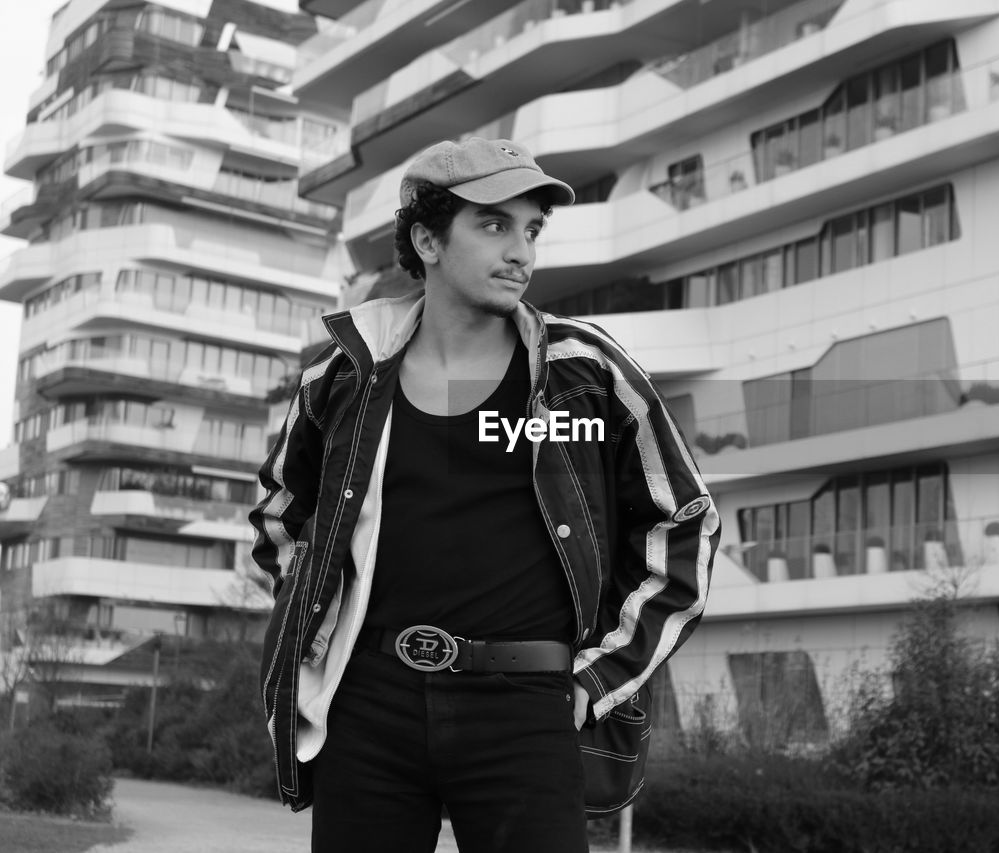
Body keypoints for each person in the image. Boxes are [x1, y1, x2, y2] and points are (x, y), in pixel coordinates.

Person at [249, 137, 720, 852]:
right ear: (427, 239)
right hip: (369, 705)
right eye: (494, 224)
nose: (521, 252)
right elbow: (281, 515)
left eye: (531, 229)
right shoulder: (343, 378)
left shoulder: (582, 374)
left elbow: (683, 523)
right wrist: (320, 632)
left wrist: (596, 679)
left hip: (529, 709)